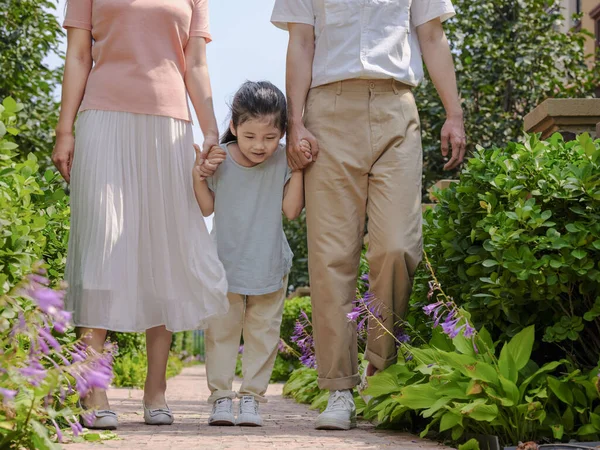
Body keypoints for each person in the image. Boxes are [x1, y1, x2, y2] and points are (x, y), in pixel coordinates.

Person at [271, 0, 467, 431]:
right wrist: (295, 124)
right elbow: (301, 42)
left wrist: (454, 112)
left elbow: (432, 36)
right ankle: (339, 388)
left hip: (396, 105)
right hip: (327, 109)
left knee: (397, 246)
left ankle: (381, 367)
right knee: (331, 257)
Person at [53, 0, 229, 429]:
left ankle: (156, 391)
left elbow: (196, 64)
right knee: (103, 248)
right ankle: (92, 389)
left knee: (163, 255)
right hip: (103, 122)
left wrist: (209, 131)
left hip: (169, 130)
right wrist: (64, 130)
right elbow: (78, 55)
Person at [194, 81, 305, 427]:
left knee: (264, 336)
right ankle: (221, 400)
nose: (260, 146)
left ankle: (253, 400)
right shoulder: (220, 160)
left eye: (270, 138)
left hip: (269, 263)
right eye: (250, 136)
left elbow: (291, 211)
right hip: (223, 265)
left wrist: (298, 168)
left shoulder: (283, 162)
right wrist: (200, 174)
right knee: (221, 334)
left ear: (282, 132)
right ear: (234, 127)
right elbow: (206, 208)